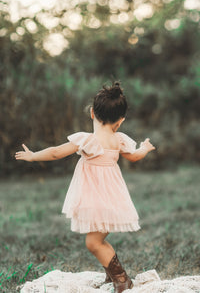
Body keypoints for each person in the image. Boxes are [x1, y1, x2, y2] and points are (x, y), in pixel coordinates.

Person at [15, 81, 155, 293]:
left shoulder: (87, 140)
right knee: (95, 240)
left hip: (99, 198)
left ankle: (122, 280)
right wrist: (144, 147)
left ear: (92, 113)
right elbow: (134, 156)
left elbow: (55, 152)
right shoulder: (118, 140)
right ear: (120, 121)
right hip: (110, 198)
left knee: (93, 242)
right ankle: (114, 277)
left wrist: (33, 156)